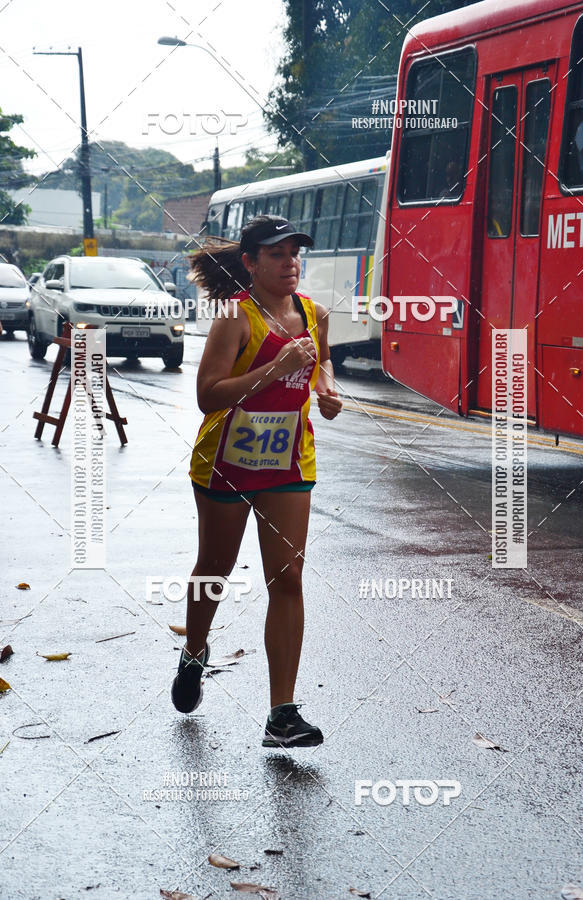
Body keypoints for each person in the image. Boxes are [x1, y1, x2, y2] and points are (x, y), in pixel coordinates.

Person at [171, 214, 343, 748]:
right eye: (277, 254)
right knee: (215, 570)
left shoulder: (313, 313)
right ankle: (195, 650)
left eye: (295, 253)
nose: (290, 262)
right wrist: (274, 368)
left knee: (287, 579)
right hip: (227, 461)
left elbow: (324, 363)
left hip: (290, 462)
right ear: (250, 263)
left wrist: (327, 390)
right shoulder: (234, 318)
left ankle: (282, 715)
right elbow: (209, 395)